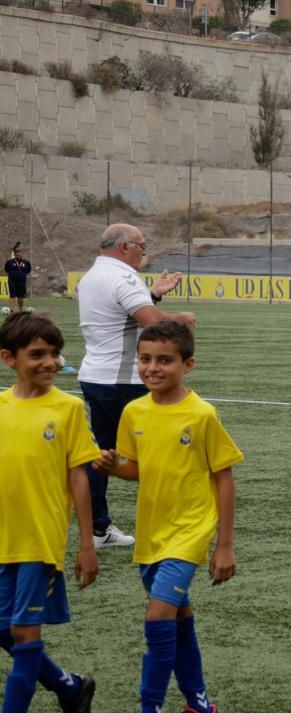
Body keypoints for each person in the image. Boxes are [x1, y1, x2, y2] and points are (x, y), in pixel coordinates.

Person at [93, 322, 241, 713]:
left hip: (190, 531)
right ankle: (200, 708)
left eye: (164, 360)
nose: (152, 368)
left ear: (187, 365)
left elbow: (224, 477)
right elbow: (137, 468)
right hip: (151, 532)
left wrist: (224, 545)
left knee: (157, 615)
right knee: (176, 617)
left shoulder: (202, 415)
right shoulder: (134, 412)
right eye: (146, 359)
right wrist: (110, 464)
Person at [0, 312, 99, 713]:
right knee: (7, 631)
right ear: (8, 359)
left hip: (38, 540)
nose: (50, 362)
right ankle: (69, 687)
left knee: (24, 635)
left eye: (55, 354)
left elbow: (78, 476)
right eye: (37, 354)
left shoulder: (67, 409)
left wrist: (86, 543)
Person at [76, 224, 193, 550]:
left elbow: (120, 315)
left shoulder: (91, 276)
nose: (145, 251)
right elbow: (153, 323)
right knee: (164, 449)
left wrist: (153, 294)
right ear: (125, 246)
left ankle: (99, 529)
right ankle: (171, 526)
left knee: (102, 453)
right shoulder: (124, 278)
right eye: (142, 245)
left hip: (95, 375)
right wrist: (181, 317)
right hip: (125, 380)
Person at [5, 244, 30, 313]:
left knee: (21, 297)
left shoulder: (26, 263)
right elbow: (6, 269)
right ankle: (12, 310)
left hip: (21, 282)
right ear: (15, 255)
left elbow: (28, 270)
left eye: (19, 254)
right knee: (12, 296)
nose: (18, 255)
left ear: (21, 254)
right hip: (12, 281)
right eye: (17, 254)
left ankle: (20, 310)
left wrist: (21, 275)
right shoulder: (9, 262)